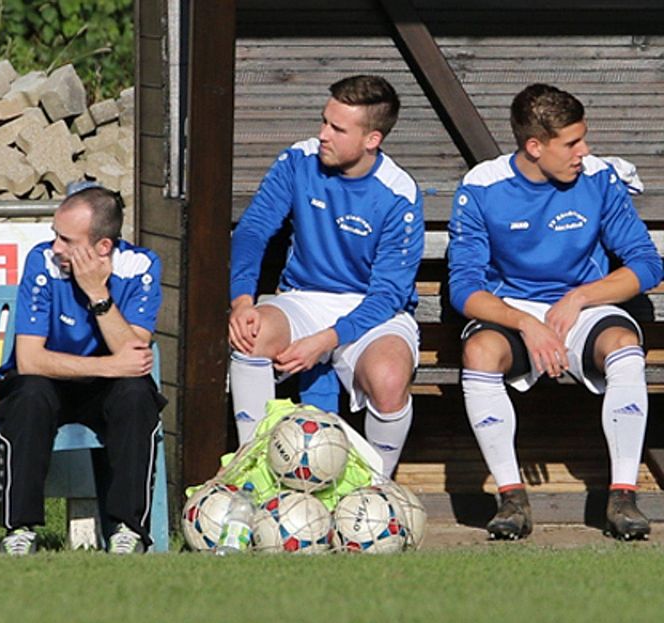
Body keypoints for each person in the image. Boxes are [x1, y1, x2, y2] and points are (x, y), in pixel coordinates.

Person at [448, 83, 663, 541]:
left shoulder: (599, 177)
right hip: (513, 312)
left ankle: (623, 498)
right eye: (571, 143)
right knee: (480, 352)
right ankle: (511, 499)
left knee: (624, 347)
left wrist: (580, 298)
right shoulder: (482, 186)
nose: (583, 151)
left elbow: (647, 264)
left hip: (583, 306)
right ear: (534, 146)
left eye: (583, 139)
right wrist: (526, 323)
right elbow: (464, 289)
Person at [228, 74, 424, 479]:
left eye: (337, 128)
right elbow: (253, 230)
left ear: (372, 139)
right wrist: (242, 300)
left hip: (373, 312)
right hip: (303, 297)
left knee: (389, 379)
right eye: (324, 121)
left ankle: (376, 490)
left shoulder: (399, 192)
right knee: (250, 334)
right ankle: (253, 472)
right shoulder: (298, 160)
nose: (323, 135)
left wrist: (325, 341)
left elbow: (387, 296)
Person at [0, 184, 164, 555]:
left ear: (103, 247)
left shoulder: (141, 266)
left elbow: (133, 356)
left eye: (67, 240)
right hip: (48, 381)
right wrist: (110, 365)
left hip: (106, 388)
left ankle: (128, 530)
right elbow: (30, 360)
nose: (56, 247)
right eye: (55, 235)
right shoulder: (42, 261)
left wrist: (97, 294)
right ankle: (19, 530)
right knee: (29, 394)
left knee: (136, 396)